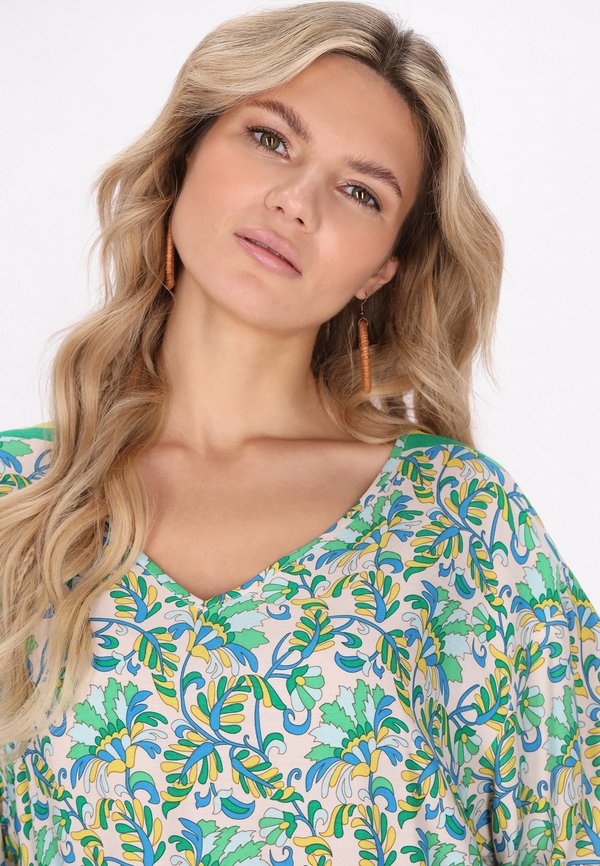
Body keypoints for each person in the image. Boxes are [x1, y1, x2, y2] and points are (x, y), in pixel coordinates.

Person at [1, 2, 598, 863]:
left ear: (381, 269)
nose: (296, 203)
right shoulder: (20, 500)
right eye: (271, 139)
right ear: (186, 154)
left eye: (360, 192)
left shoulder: (458, 520)